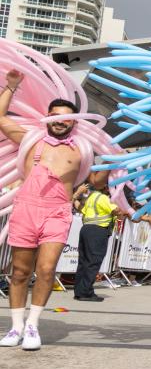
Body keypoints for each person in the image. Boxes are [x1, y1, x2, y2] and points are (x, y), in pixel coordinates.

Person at [0, 71, 82, 350]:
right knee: (20, 271)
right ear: (47, 117)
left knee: (46, 270)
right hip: (26, 208)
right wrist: (11, 88)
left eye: (66, 117)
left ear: (74, 121)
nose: (60, 121)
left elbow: (106, 170)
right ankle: (16, 327)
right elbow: (1, 120)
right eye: (55, 116)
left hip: (58, 212)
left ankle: (33, 326)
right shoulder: (31, 140)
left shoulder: (82, 149)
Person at [71, 170, 123, 302]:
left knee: (83, 261)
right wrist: (124, 211)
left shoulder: (90, 198)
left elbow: (79, 207)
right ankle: (86, 292)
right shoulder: (103, 198)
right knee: (93, 261)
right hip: (98, 231)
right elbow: (116, 210)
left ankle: (79, 291)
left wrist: (76, 196)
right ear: (106, 187)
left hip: (86, 229)